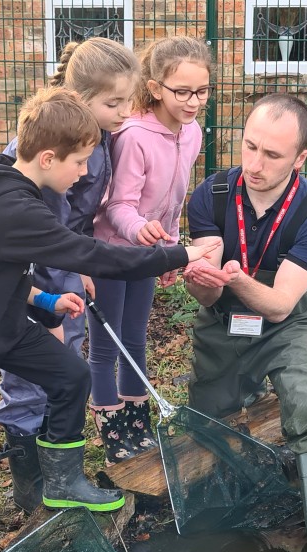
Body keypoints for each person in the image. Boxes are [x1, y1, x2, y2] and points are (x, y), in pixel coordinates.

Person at [0, 86, 219, 552]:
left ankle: (64, 482)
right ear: (48, 157)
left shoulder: (16, 191)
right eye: (80, 162)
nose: (85, 173)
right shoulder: (12, 207)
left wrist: (45, 302)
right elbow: (95, 257)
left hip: (3, 324)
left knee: (69, 375)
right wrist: (182, 254)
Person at [0, 37, 140, 516]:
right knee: (35, 369)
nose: (123, 111)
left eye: (127, 101)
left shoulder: (93, 137)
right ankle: (32, 486)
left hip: (61, 263)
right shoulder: (66, 148)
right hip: (33, 275)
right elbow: (43, 229)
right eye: (113, 103)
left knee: (63, 362)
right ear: (81, 97)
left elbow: (72, 221)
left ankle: (58, 474)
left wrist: (80, 266)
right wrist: (55, 292)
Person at [184, 93, 307, 548]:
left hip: (287, 321)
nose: (255, 163)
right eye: (250, 146)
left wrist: (236, 275)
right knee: (208, 414)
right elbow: (206, 294)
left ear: (301, 157)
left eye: (272, 155)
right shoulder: (212, 195)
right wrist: (205, 278)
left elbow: (281, 305)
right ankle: (215, 525)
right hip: (226, 314)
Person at [87, 35, 214, 466]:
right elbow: (117, 204)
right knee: (107, 347)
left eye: (202, 90)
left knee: (136, 339)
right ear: (156, 86)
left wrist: (170, 249)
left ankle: (137, 423)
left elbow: (174, 199)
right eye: (182, 91)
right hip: (110, 252)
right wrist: (144, 232)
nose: (194, 101)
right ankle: (113, 433)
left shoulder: (192, 131)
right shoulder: (134, 135)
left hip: (146, 252)